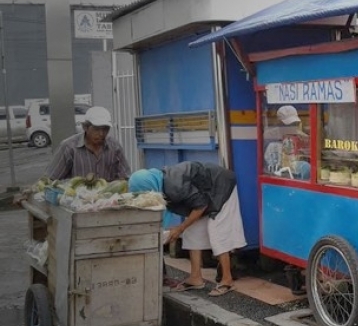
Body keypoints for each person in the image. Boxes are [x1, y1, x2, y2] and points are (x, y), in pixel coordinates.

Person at [128, 161, 247, 297]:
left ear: (148, 186)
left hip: (221, 186)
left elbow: (200, 206)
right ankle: (195, 278)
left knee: (218, 232)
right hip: (205, 194)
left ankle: (227, 279)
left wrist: (180, 228)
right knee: (192, 232)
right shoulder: (161, 185)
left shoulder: (174, 186)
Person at [45, 106, 130, 182]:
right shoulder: (69, 147)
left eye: (105, 129)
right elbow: (50, 179)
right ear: (85, 127)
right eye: (96, 129)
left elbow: (126, 177)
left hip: (108, 198)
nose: (101, 133)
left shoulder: (114, 147)